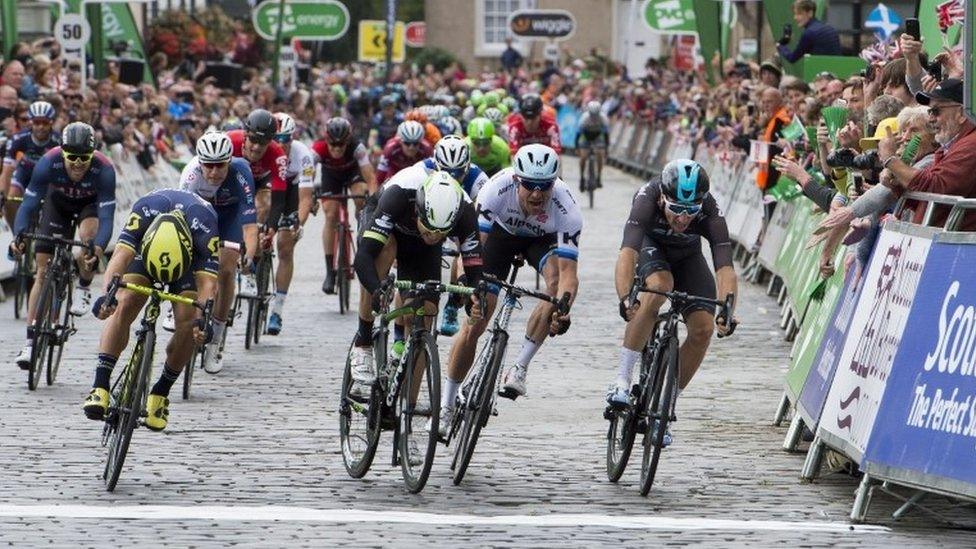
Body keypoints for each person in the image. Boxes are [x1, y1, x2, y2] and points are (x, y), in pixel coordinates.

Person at [441, 144, 580, 434]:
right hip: (500, 237)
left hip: (539, 240)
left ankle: (519, 367)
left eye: (544, 187)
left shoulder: (566, 206)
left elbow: (569, 275)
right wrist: (470, 288)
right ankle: (446, 404)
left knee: (554, 284)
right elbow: (472, 247)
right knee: (476, 321)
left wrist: (563, 308)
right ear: (517, 179)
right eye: (529, 185)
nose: (537, 194)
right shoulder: (496, 189)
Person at [608, 160, 737, 446]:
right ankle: (621, 379)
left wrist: (727, 309)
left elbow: (725, 266)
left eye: (690, 211)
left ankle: (667, 403)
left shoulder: (710, 211)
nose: (682, 219)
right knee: (659, 287)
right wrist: (625, 296)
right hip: (651, 248)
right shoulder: (646, 198)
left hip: (688, 257)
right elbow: (627, 252)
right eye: (676, 209)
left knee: (703, 329)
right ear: (662, 198)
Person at [83, 189, 219, 431]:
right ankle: (100, 384)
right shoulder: (144, 210)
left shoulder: (205, 226)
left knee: (188, 322)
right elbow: (120, 258)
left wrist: (202, 321)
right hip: (147, 254)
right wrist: (106, 296)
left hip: (187, 265)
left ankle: (161, 392)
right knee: (126, 300)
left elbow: (208, 284)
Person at [348, 169, 484, 398]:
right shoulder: (399, 195)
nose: (433, 235)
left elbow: (474, 267)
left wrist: (474, 298)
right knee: (383, 251)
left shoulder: (465, 211)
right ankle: (363, 343)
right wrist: (376, 289)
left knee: (425, 313)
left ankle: (405, 405)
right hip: (387, 224)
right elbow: (363, 257)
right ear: (419, 210)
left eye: (442, 233)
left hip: (420, 246)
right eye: (430, 229)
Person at [11, 122, 116, 367]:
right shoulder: (48, 162)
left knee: (88, 243)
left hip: (89, 206)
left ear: (92, 154)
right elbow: (28, 205)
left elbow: (107, 218)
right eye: (72, 157)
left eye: (84, 158)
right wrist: (20, 236)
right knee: (42, 272)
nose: (78, 163)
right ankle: (29, 343)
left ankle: (84, 285)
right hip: (57, 204)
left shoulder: (105, 169)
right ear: (63, 153)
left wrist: (98, 249)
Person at [179, 131, 257, 374]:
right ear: (200, 162)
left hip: (229, 216)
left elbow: (250, 224)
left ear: (229, 161)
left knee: (226, 268)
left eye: (220, 166)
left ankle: (216, 340)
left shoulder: (241, 171)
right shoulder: (191, 174)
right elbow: (180, 221)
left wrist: (249, 255)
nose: (213, 173)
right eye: (208, 166)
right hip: (200, 214)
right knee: (190, 257)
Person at [414, 135, 490, 336]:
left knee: (464, 253)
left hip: (460, 220)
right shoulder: (422, 170)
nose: (452, 178)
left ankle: (453, 303)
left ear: (468, 167)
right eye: (447, 172)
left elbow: (482, 219)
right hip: (430, 218)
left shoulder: (479, 179)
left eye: (458, 174)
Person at [878, 79, 976, 230]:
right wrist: (897, 184)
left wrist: (890, 160)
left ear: (962, 113)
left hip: (955, 247)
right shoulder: (951, 146)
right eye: (930, 111)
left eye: (936, 111)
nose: (930, 118)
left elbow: (936, 187)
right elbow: (927, 197)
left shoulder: (971, 144)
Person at [226, 109, 290, 298]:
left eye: (262, 143)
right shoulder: (230, 141)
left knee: (264, 205)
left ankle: (250, 266)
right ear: (245, 135)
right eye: (253, 140)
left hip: (260, 184)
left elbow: (279, 199)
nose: (256, 147)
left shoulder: (277, 155)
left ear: (270, 141)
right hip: (232, 181)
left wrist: (270, 229)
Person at [311, 117, 377, 294]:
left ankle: (360, 227)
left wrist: (372, 203)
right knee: (330, 215)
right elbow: (306, 178)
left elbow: (370, 179)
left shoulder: (357, 147)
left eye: (341, 145)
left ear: (348, 141)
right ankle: (329, 272)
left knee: (361, 199)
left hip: (353, 174)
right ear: (326, 140)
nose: (337, 148)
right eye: (333, 144)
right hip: (330, 178)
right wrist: (309, 197)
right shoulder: (317, 149)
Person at [266, 113, 315, 335]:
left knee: (285, 248)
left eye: (286, 139)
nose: (281, 144)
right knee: (259, 213)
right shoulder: (262, 151)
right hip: (267, 190)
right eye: (277, 139)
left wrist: (299, 223)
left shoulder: (303, 154)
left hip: (291, 194)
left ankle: (277, 310)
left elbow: (305, 198)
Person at [0, 100, 59, 230]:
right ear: (31, 121)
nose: (41, 127)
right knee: (10, 199)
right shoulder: (18, 138)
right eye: (37, 122)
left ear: (51, 122)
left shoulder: (59, 141)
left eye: (45, 122)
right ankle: (18, 235)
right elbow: (7, 171)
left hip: (47, 178)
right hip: (24, 174)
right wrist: (2, 195)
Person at [776, 0, 841, 63]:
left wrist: (780, 45)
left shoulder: (808, 33)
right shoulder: (831, 29)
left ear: (810, 13)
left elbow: (792, 58)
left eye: (799, 14)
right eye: (795, 14)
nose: (795, 17)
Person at [376, 120, 432, 185]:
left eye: (415, 143)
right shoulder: (390, 148)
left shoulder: (427, 149)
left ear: (420, 142)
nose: (411, 147)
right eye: (407, 143)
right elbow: (380, 176)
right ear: (400, 141)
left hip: (417, 176)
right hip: (395, 173)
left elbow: (433, 176)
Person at [575, 100, 610, 191]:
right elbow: (578, 135)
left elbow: (606, 135)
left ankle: (598, 176)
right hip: (586, 137)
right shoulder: (584, 118)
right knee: (583, 157)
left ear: (599, 112)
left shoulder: (603, 118)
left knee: (600, 154)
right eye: (592, 115)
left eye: (596, 115)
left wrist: (606, 148)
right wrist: (577, 148)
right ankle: (582, 177)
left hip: (597, 137)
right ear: (589, 112)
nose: (594, 117)